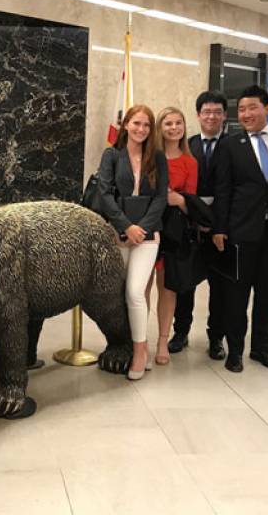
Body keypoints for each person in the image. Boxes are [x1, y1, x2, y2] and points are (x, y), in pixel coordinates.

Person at [212, 85, 268, 373]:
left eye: (252, 108)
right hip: (241, 232)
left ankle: (261, 348)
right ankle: (236, 351)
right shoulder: (231, 144)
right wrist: (220, 228)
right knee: (237, 296)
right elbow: (223, 190)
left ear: (267, 108)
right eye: (241, 109)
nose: (246, 114)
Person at [97, 104, 168, 380]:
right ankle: (125, 344)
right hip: (118, 234)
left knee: (136, 292)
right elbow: (104, 194)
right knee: (119, 295)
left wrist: (141, 229)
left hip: (149, 236)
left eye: (147, 125)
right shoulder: (112, 155)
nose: (141, 129)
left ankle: (140, 350)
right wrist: (126, 226)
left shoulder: (157, 157)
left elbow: (161, 197)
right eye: (136, 123)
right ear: (126, 124)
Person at [169, 90, 228, 360]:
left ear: (224, 116)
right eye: (206, 112)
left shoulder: (234, 145)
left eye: (217, 112)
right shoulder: (187, 144)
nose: (211, 116)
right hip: (189, 226)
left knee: (221, 285)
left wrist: (217, 224)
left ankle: (216, 337)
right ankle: (180, 331)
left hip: (221, 226)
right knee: (185, 282)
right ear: (198, 115)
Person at [149, 107, 197, 366]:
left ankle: (162, 341)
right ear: (160, 127)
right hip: (148, 228)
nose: (174, 127)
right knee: (140, 288)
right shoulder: (150, 158)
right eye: (168, 123)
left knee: (167, 289)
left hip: (173, 233)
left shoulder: (190, 162)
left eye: (178, 122)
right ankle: (138, 342)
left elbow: (192, 204)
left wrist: (178, 199)